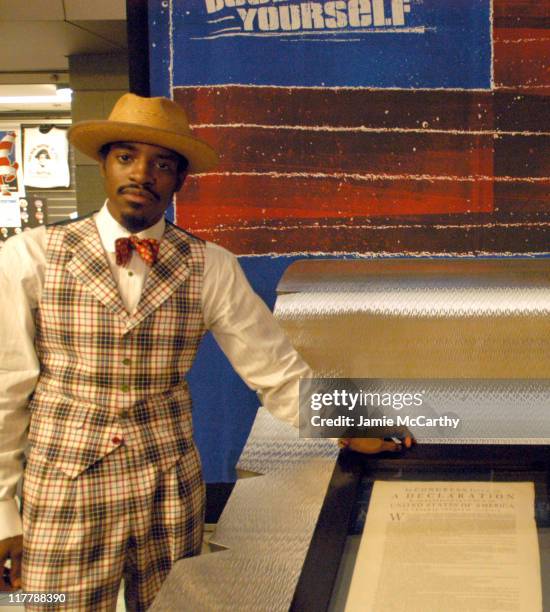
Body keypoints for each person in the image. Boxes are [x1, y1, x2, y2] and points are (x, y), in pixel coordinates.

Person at [0, 93, 407, 610]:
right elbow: (6, 387)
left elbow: (277, 373)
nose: (142, 174)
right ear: (104, 163)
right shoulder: (28, 256)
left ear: (179, 179)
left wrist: (353, 426)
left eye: (162, 164)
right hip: (62, 488)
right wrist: (2, 514)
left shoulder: (210, 265)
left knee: (179, 605)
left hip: (169, 486)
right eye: (126, 156)